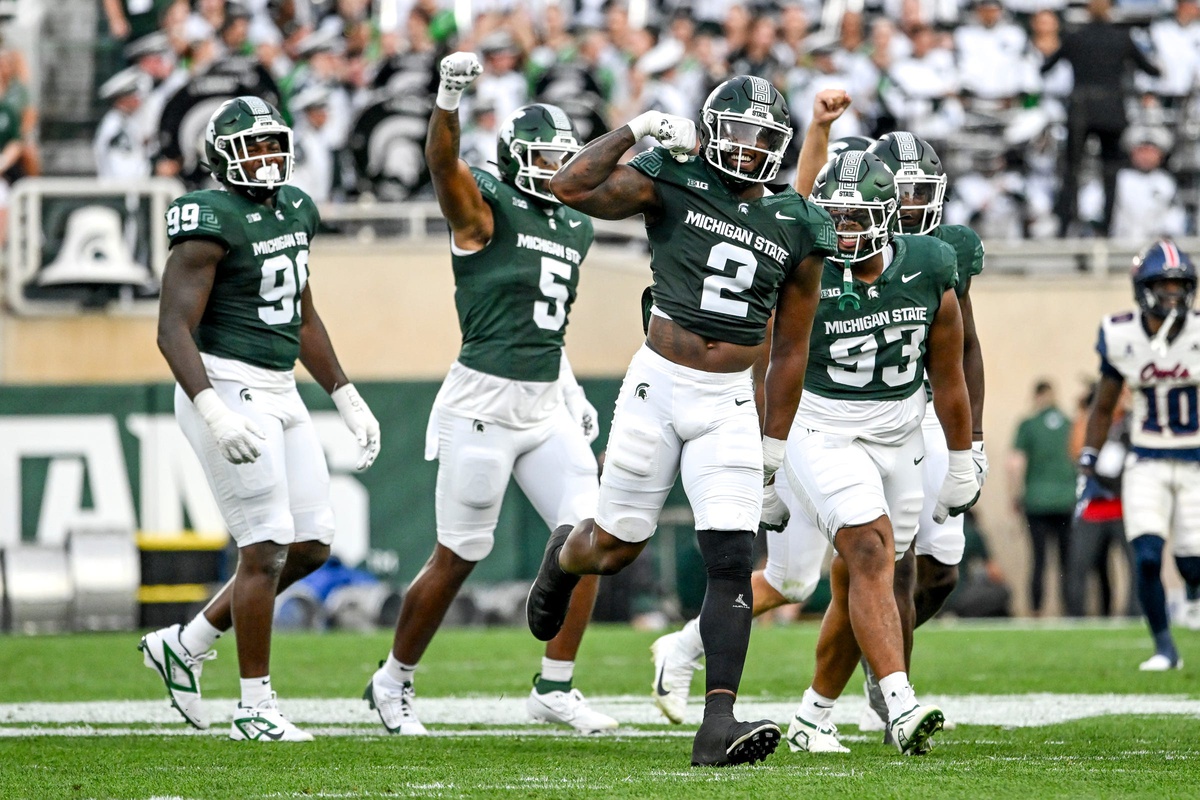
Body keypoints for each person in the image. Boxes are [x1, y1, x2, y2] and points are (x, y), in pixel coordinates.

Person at [528, 75, 836, 766]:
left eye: (765, 139)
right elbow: (570, 188)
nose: (750, 150)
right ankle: (562, 558)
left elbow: (792, 347)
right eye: (740, 132)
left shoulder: (796, 222)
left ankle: (717, 723)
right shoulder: (673, 176)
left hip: (730, 399)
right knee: (615, 546)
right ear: (710, 127)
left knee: (731, 559)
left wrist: (774, 445)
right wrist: (633, 129)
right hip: (658, 386)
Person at [363, 52, 616, 737]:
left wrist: (569, 384)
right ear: (512, 157)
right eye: (544, 156)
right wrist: (447, 99)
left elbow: (546, 320)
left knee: (596, 535)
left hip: (544, 403)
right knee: (458, 556)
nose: (558, 169)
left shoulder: (576, 223)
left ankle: (555, 685)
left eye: (566, 157)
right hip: (482, 406)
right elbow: (444, 166)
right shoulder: (485, 210)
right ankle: (392, 680)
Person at [142, 96, 381, 742]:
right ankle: (254, 704)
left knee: (310, 544)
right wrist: (211, 408)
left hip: (279, 388)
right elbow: (171, 329)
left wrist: (344, 392)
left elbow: (301, 313)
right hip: (225, 383)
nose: (266, 158)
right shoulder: (207, 218)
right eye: (251, 147)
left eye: (273, 144)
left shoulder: (297, 208)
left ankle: (185, 644)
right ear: (220, 156)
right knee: (266, 543)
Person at [781, 149, 977, 756]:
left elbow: (948, 375)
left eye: (857, 215)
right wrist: (763, 455)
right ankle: (900, 704)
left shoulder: (931, 264)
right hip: (822, 429)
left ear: (890, 216)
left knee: (864, 576)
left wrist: (966, 456)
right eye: (833, 216)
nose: (844, 229)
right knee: (869, 548)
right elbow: (776, 362)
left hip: (902, 433)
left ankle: (812, 717)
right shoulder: (807, 266)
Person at [1082, 239, 1200, 669]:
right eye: (1163, 285)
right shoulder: (1121, 333)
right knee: (1147, 556)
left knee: (1193, 564)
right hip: (1146, 459)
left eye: (1179, 285)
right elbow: (1104, 401)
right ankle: (1165, 647)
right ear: (1143, 288)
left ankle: (1190, 591)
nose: (1173, 294)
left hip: (1196, 460)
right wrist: (1089, 456)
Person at [1039, 0, 1160, 236]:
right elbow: (1151, 70)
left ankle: (1065, 225)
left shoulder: (1075, 37)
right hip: (1112, 110)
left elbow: (1046, 67)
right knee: (1111, 171)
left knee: (1072, 170)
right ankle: (1107, 226)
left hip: (1081, 108)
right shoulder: (1122, 38)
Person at [1009, 380, 1077, 615]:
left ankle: (1036, 612)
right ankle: (1070, 611)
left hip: (1036, 501)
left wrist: (1015, 497)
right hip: (1067, 500)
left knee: (1039, 560)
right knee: (1067, 561)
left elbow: (1015, 464)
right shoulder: (1070, 423)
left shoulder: (1028, 425)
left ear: (1036, 396)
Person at [94, 67, 149, 180]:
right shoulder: (115, 125)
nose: (138, 100)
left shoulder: (127, 121)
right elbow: (121, 164)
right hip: (121, 191)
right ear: (123, 99)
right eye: (134, 96)